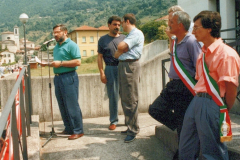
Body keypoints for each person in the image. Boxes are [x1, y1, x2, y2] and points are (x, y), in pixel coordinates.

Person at [179, 11, 240, 160]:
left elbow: (231, 89)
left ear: (209, 29)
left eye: (197, 28)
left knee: (212, 151)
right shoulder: (203, 53)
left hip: (213, 102)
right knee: (186, 145)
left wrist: (222, 110)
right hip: (197, 101)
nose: (193, 32)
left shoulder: (227, 54)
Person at [148, 11, 201, 159]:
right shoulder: (174, 41)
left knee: (183, 125)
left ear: (180, 25)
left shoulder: (191, 41)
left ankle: (183, 154)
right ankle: (182, 129)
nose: (168, 24)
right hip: (173, 86)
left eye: (171, 22)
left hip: (185, 87)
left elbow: (199, 66)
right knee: (155, 109)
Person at [114, 13, 144, 143]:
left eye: (122, 23)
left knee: (130, 98)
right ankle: (130, 125)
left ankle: (133, 129)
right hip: (124, 65)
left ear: (127, 21)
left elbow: (119, 47)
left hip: (130, 65)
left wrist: (123, 48)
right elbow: (117, 53)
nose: (121, 26)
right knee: (125, 97)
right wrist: (122, 49)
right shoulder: (129, 36)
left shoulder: (136, 33)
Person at [51, 24, 84, 140]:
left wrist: (60, 63)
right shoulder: (56, 47)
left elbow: (78, 62)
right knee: (63, 104)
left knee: (72, 105)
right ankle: (69, 128)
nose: (55, 34)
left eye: (57, 32)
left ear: (65, 32)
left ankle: (78, 130)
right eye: (54, 32)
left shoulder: (71, 45)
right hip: (58, 78)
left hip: (69, 77)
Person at [97, 16, 125, 130]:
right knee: (113, 96)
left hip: (123, 67)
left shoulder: (124, 38)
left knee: (127, 95)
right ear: (109, 25)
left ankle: (129, 120)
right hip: (110, 68)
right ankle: (113, 121)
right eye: (114, 24)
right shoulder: (103, 40)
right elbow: (99, 57)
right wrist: (102, 73)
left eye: (119, 25)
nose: (117, 27)